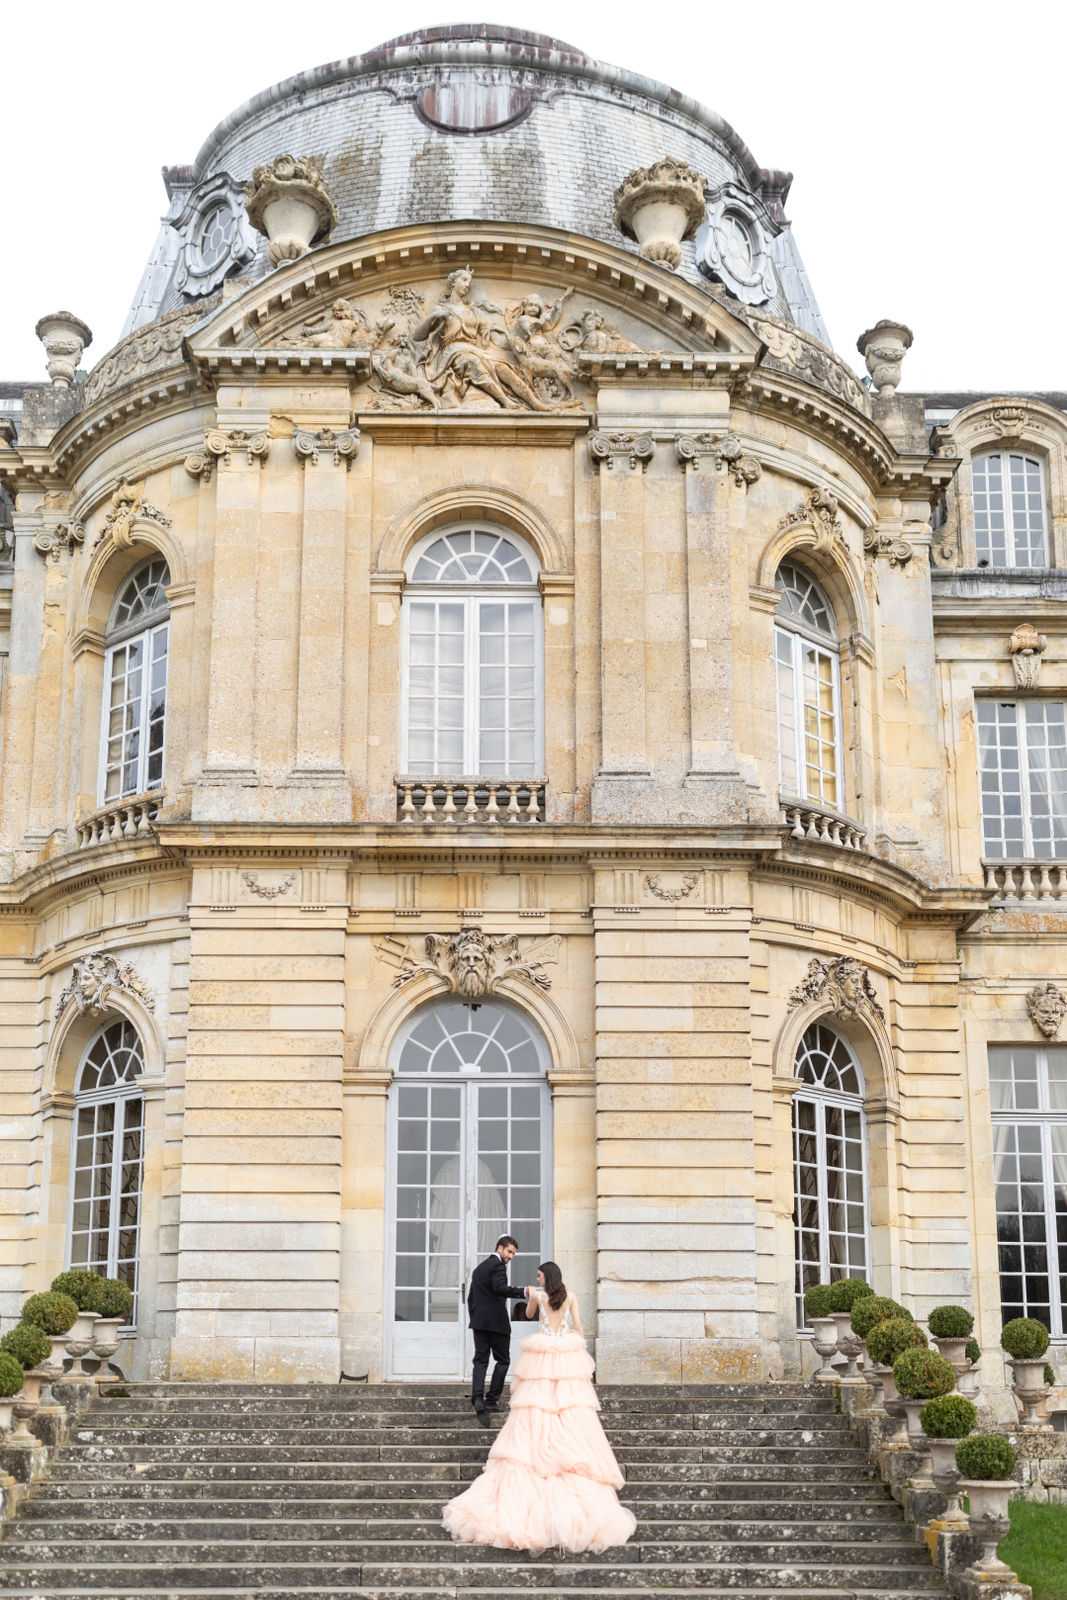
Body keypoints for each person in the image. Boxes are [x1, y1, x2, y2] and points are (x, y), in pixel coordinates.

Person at [443, 1259, 637, 1554]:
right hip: (563, 1353)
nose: (536, 1278)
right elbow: (580, 1329)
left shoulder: (539, 1295)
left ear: (546, 1277)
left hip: (541, 1353)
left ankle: (538, 1449)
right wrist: (570, 1343)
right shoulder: (570, 1296)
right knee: (565, 1406)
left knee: (535, 1405)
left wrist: (533, 1297)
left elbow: (528, 1314)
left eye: (538, 1275)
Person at [467, 1234, 529, 1420]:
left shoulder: (479, 1269)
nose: (511, 1256)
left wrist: (476, 1318)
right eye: (509, 1251)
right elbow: (500, 1288)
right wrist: (523, 1291)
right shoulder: (498, 1266)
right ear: (499, 1248)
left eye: (513, 1254)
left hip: (479, 1323)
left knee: (480, 1360)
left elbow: (471, 1298)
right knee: (503, 1361)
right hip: (497, 1324)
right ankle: (492, 1400)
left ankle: (477, 1397)